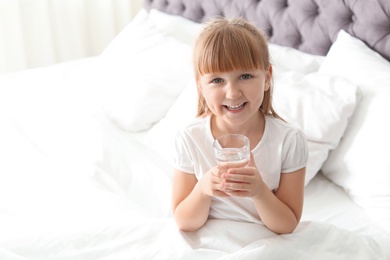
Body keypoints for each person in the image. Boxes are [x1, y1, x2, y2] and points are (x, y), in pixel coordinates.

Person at [171, 17, 308, 234]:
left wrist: (260, 192)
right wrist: (203, 188)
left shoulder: (289, 141)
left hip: (264, 242)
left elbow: (287, 225)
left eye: (245, 76)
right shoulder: (190, 138)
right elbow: (185, 222)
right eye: (217, 80)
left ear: (267, 78)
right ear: (200, 85)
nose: (233, 93)